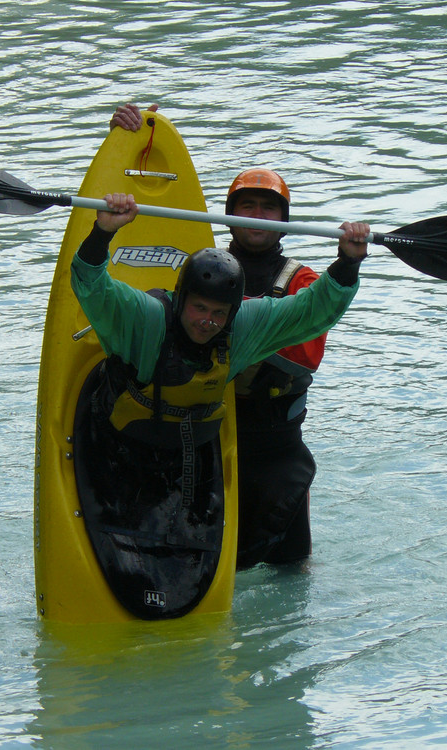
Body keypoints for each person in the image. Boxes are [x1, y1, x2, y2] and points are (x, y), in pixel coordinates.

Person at [72, 188, 368, 601]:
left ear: (232, 312)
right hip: (120, 446)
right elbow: (91, 285)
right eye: (198, 309)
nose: (207, 322)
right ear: (181, 302)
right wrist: (102, 233)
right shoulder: (144, 318)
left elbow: (311, 310)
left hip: (188, 449)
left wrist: (349, 261)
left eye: (218, 313)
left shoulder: (241, 326)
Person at [110, 103, 340, 569]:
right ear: (230, 215)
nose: (257, 215)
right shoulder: (199, 269)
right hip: (203, 433)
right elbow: (139, 298)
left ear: (284, 217)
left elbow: (307, 348)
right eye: (247, 206)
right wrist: (128, 142)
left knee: (291, 567)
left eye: (269, 207)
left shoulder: (301, 282)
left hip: (274, 441)